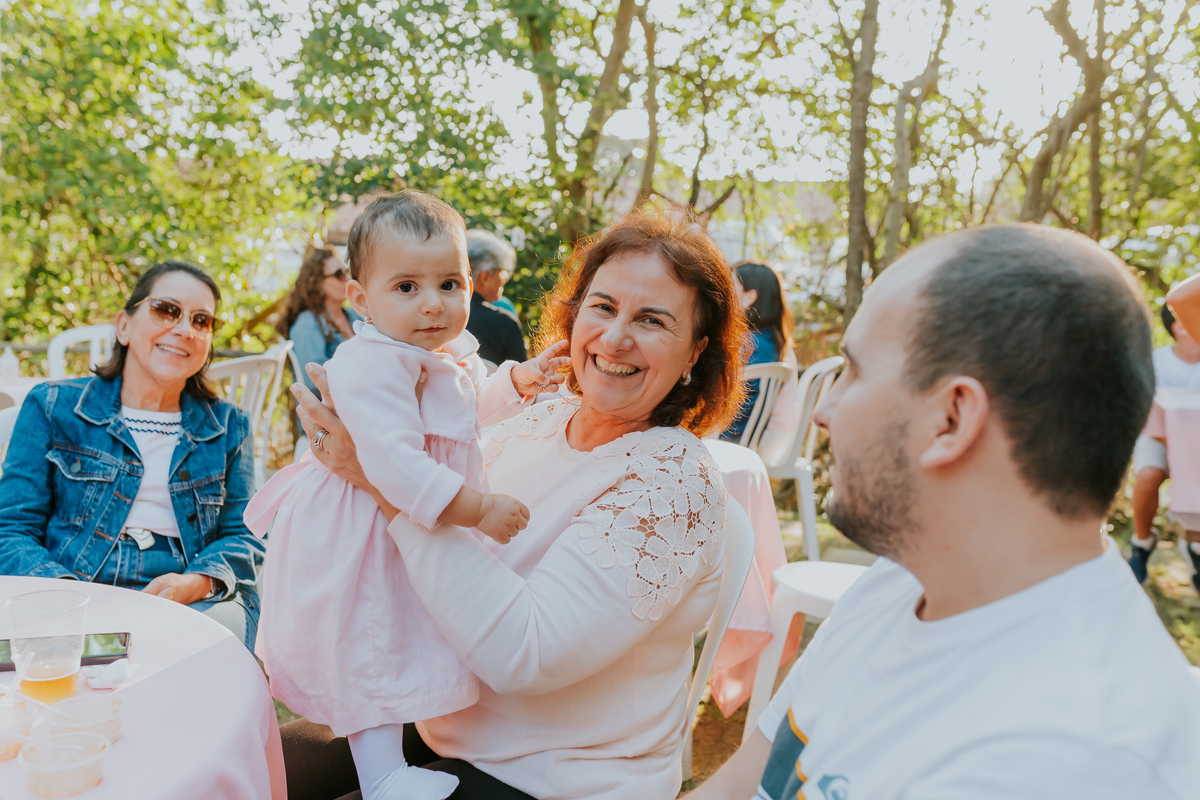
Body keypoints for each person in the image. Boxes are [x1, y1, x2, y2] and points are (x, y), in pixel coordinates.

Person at [689, 224, 1200, 800]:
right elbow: (740, 783)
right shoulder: (903, 582)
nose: (823, 410)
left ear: (951, 420)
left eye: (854, 372)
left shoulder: (1070, 759)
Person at [281, 202, 748, 800]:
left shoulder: (672, 484)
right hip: (434, 712)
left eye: (653, 321)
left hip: (555, 774)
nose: (615, 337)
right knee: (257, 763)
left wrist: (379, 481)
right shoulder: (541, 416)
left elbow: (525, 654)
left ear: (694, 353)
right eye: (602, 308)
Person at [245, 191, 569, 800]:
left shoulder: (439, 355)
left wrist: (517, 382)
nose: (432, 303)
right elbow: (391, 462)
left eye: (450, 283)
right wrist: (480, 510)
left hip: (404, 518)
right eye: (407, 287)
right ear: (361, 300)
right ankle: (382, 776)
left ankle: (405, 752)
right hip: (363, 525)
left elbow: (467, 412)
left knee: (404, 635)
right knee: (375, 641)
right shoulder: (373, 364)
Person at [0, 261, 263, 647]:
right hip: (69, 579)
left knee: (198, 662)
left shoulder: (230, 426)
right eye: (166, 310)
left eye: (201, 320)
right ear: (124, 325)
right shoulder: (52, 406)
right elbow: (11, 528)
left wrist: (191, 584)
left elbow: (245, 535)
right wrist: (67, 597)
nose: (184, 330)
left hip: (189, 588)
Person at [1128, 302, 1200, 584]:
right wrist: (1176, 453)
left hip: (1195, 443)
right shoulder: (1156, 362)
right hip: (1158, 436)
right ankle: (1142, 543)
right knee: (1148, 475)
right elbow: (1146, 416)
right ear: (1180, 325)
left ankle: (1194, 547)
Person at [721, 262, 800, 455]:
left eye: (730, 287)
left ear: (749, 297)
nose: (724, 294)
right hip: (776, 436)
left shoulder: (753, 344)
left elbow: (745, 405)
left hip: (758, 439)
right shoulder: (771, 339)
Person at [277, 247, 363, 395]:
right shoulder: (307, 324)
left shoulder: (354, 316)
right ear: (317, 282)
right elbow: (315, 381)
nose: (348, 279)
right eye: (339, 274)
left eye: (347, 272)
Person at [464, 229, 526, 366]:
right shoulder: (505, 323)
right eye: (502, 271)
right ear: (485, 277)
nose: (505, 279)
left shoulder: (443, 315)